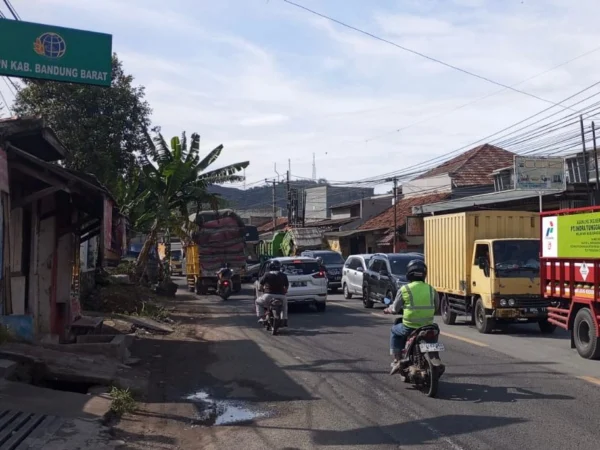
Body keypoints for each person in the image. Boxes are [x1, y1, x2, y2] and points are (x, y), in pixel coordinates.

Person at [384, 259, 437, 375]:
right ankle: (434, 354)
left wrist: (388, 309)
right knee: (434, 333)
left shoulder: (405, 289)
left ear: (409, 274)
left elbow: (395, 309)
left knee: (394, 330)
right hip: (427, 326)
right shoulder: (431, 289)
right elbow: (437, 307)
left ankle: (397, 360)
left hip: (410, 326)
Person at [256, 260, 289, 327]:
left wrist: (261, 289)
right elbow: (286, 286)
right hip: (281, 296)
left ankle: (262, 317)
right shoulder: (283, 275)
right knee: (284, 306)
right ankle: (284, 319)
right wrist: (284, 291)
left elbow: (261, 285)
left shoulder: (266, 274)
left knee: (257, 302)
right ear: (279, 267)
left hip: (268, 296)